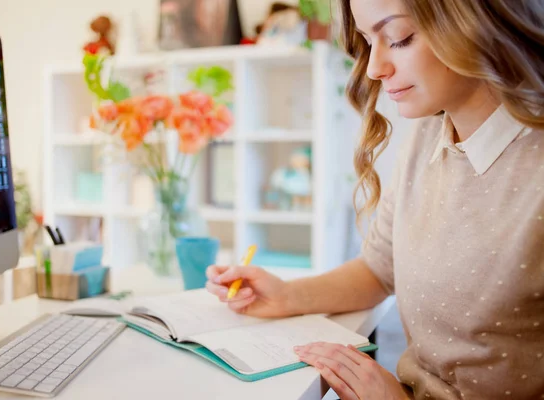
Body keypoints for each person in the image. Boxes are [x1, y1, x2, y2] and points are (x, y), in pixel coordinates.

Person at [206, 0, 544, 398]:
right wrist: (287, 296)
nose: (373, 68)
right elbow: (381, 269)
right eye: (368, 42)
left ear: (476, 20)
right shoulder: (428, 136)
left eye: (399, 38)